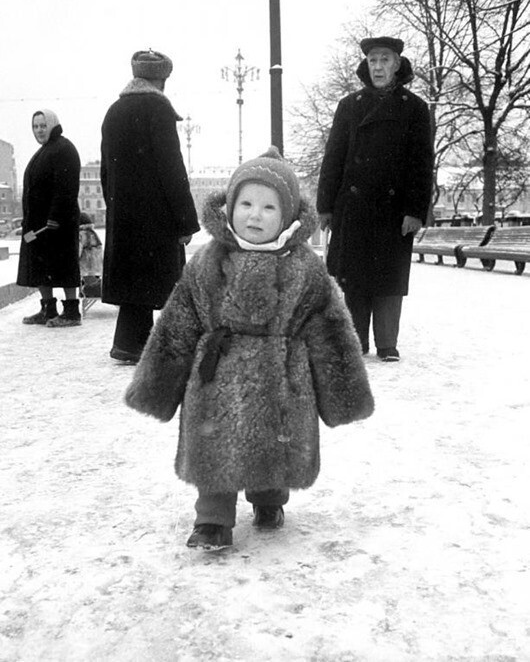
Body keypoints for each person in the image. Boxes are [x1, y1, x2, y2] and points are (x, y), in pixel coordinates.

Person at [125, 147, 374, 551]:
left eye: (268, 207)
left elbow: (330, 329)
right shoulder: (206, 262)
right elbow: (178, 324)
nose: (255, 215)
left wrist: (343, 393)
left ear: (288, 215)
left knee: (274, 444)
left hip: (282, 378)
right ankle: (211, 520)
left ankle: (269, 499)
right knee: (213, 447)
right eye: (246, 203)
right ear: (230, 206)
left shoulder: (306, 268)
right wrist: (157, 385)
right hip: (215, 375)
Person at [317, 36, 433, 362]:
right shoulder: (349, 106)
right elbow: (334, 158)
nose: (378, 66)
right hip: (352, 206)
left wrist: (415, 209)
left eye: (385, 60)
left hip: (394, 210)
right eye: (373, 61)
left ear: (397, 64)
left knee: (388, 278)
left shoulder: (415, 109)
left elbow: (421, 163)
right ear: (366, 65)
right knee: (352, 277)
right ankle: (356, 342)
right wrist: (325, 206)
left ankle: (387, 343)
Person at [100, 49, 200, 364]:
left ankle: (129, 343)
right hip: (157, 217)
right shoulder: (158, 109)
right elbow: (171, 168)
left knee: (133, 284)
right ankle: (175, 344)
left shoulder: (114, 112)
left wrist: (116, 206)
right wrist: (186, 221)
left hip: (125, 215)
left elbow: (105, 172)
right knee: (169, 282)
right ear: (161, 79)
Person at [17, 109, 82, 327]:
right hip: (37, 225)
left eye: (43, 126)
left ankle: (72, 311)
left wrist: (55, 216)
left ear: (53, 124)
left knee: (63, 264)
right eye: (35, 126)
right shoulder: (45, 151)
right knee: (39, 264)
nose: (39, 130)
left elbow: (66, 187)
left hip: (56, 223)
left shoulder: (64, 149)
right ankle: (48, 308)